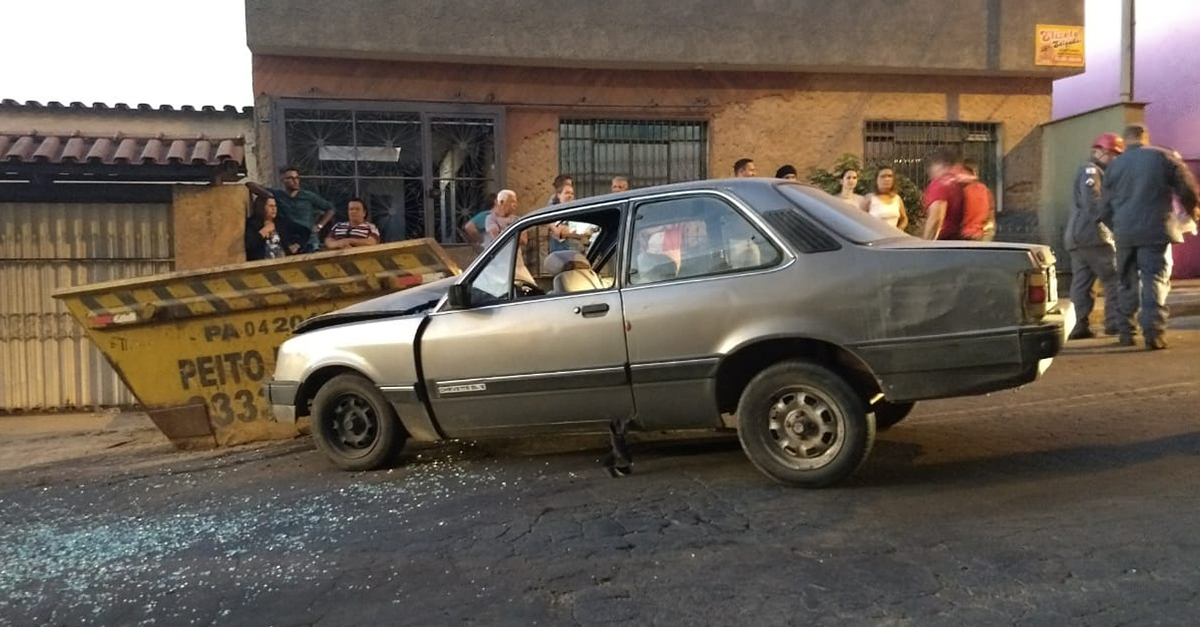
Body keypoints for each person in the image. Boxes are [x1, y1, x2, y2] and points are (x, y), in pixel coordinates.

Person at [1099, 123, 1200, 350]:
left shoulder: (1114, 167)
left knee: (1126, 281)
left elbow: (1104, 207)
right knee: (1153, 279)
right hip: (1156, 230)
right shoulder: (1164, 157)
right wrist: (1192, 212)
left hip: (1124, 232)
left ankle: (1126, 332)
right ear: (1146, 137)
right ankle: (1154, 333)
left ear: (1125, 141)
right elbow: (1187, 189)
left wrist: (1117, 228)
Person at [1064, 133, 1125, 340]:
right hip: (1094, 236)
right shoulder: (1092, 171)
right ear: (1100, 152)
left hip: (1078, 237)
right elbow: (1095, 203)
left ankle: (1078, 325)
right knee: (1114, 277)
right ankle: (1114, 323)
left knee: (1082, 282)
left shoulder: (1091, 170)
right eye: (1113, 154)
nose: (1115, 159)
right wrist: (1114, 226)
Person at [246, 166, 335, 252]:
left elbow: (330, 208)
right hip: (290, 242)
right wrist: (269, 195)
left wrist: (320, 225)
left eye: (297, 178)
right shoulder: (279, 196)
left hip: (309, 241)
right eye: (291, 178)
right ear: (283, 180)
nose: (295, 181)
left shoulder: (308, 196)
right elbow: (250, 184)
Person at [921, 148, 967, 240]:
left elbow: (936, 219)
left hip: (943, 240)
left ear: (938, 166)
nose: (929, 174)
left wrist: (926, 244)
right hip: (960, 239)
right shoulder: (959, 184)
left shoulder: (939, 185)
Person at [244, 195, 307, 260]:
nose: (274, 209)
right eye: (270, 206)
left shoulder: (281, 221)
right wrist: (263, 232)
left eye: (275, 206)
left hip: (283, 261)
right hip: (262, 264)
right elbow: (249, 245)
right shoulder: (252, 223)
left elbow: (305, 231)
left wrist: (297, 245)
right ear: (261, 207)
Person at [960, 159, 996, 241]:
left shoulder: (961, 191)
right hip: (981, 237)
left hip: (962, 238)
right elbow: (990, 216)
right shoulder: (985, 190)